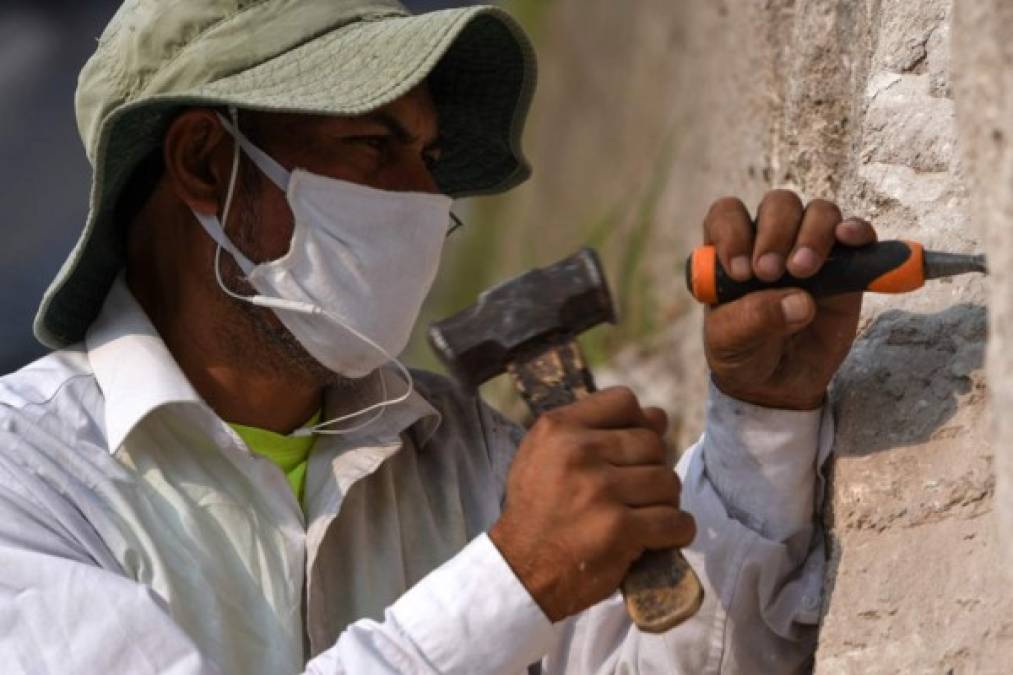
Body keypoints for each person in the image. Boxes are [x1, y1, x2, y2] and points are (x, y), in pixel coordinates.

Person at [0, 1, 876, 673]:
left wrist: (762, 416)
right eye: (373, 143)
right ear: (204, 163)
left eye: (427, 158)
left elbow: (696, 656)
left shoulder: (466, 456)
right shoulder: (27, 485)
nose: (425, 199)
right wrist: (513, 581)